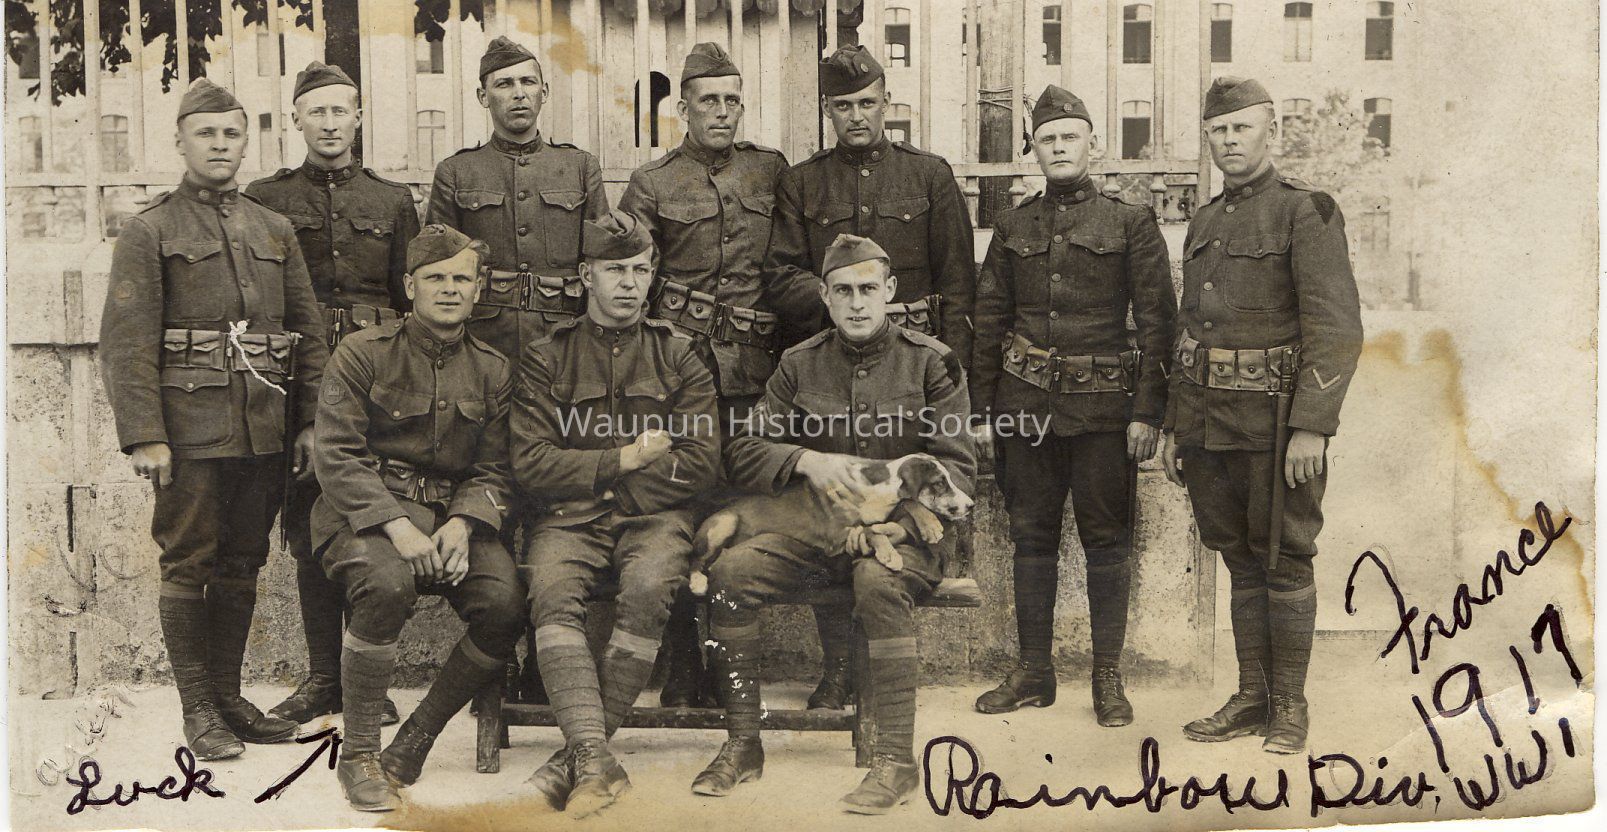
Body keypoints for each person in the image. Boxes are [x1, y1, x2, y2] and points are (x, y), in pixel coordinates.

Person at [693, 234, 976, 813]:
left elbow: (958, 470)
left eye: (868, 289)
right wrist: (806, 460)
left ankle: (895, 761)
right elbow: (743, 450)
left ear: (890, 290)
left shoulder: (931, 361)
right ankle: (744, 743)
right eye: (842, 291)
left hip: (904, 539)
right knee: (732, 572)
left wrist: (900, 526)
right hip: (817, 536)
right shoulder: (798, 364)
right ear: (824, 296)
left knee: (877, 579)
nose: (856, 302)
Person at [99, 78, 326, 760]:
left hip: (264, 428)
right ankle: (197, 708)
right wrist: (146, 436)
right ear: (180, 142)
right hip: (189, 432)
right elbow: (127, 343)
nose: (219, 145)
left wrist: (308, 424)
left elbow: (307, 334)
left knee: (244, 560)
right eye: (206, 133)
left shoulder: (273, 228)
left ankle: (228, 699)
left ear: (246, 141)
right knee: (188, 560)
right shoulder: (150, 230)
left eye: (231, 133)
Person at [760, 43, 977, 710]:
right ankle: (837, 669)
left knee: (884, 528)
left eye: (867, 103)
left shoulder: (929, 175)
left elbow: (959, 284)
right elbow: (778, 276)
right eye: (843, 106)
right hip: (830, 372)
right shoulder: (802, 183)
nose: (856, 116)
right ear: (827, 111)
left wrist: (942, 364)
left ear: (887, 104)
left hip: (909, 375)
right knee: (839, 512)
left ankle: (870, 675)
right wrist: (843, 296)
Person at [1161, 78, 1363, 755]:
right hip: (1209, 424)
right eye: (1217, 130)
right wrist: (1176, 425)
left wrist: (1312, 425)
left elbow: (1335, 328)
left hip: (1275, 426)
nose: (1228, 140)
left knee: (1285, 558)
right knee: (1239, 560)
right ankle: (1251, 697)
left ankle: (1290, 707)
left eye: (1241, 127)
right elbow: (1189, 332)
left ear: (1269, 131)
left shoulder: (1305, 211)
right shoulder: (1203, 221)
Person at [970, 85, 1177, 725]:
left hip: (1105, 416)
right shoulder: (1014, 225)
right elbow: (990, 319)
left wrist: (1147, 413)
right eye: (1047, 140)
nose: (1059, 148)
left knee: (1107, 541)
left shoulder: (1130, 223)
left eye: (1070, 137)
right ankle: (1034, 672)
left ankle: (1107, 678)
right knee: (1030, 537)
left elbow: (1158, 324)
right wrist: (981, 413)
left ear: (1094, 144)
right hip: (1025, 409)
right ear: (1032, 150)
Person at [617, 42, 811, 708]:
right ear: (683, 108)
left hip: (757, 379)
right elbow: (633, 282)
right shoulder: (652, 182)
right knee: (676, 513)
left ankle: (733, 663)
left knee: (743, 515)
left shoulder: (771, 171)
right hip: (680, 380)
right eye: (708, 101)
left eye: (732, 100)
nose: (722, 112)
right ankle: (681, 662)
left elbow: (789, 268)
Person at [511, 210, 720, 817]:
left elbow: (701, 459)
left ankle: (580, 756)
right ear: (586, 276)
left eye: (640, 270)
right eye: (614, 270)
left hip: (655, 518)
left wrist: (610, 491)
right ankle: (595, 758)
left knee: (650, 587)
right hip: (566, 521)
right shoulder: (546, 356)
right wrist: (622, 460)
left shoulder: (679, 354)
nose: (629, 283)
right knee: (551, 592)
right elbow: (530, 461)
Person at [311, 225, 525, 810]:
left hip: (451, 517)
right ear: (410, 286)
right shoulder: (362, 352)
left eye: (461, 279)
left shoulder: (493, 368)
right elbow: (337, 455)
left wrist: (463, 524)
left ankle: (414, 740)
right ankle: (358, 755)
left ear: (478, 289)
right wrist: (398, 527)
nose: (449, 289)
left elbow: (496, 468)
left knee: (506, 603)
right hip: (365, 515)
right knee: (386, 584)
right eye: (436, 278)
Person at [426, 34, 610, 703]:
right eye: (503, 85)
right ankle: (497, 657)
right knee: (492, 511)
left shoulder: (579, 168)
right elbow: (435, 271)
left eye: (528, 82)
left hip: (562, 368)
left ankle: (550, 660)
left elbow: (603, 265)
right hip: (485, 365)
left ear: (544, 91)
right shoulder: (457, 174)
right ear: (483, 96)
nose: (518, 95)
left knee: (560, 513)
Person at [245, 60, 417, 727]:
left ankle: (360, 677)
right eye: (315, 111)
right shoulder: (266, 197)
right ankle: (323, 680)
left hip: (375, 375)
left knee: (367, 513)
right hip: (299, 378)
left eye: (340, 110)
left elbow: (408, 300)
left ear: (358, 117)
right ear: (296, 119)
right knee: (307, 522)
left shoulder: (391, 200)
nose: (328, 123)